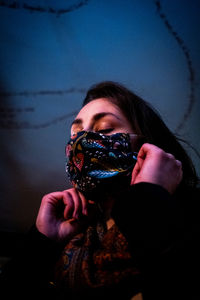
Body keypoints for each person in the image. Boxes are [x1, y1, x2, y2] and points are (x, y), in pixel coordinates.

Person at [1, 81, 199, 300]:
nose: (81, 142)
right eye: (75, 134)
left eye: (105, 128)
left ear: (146, 143)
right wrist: (41, 242)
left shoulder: (189, 217)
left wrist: (149, 197)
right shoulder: (73, 233)